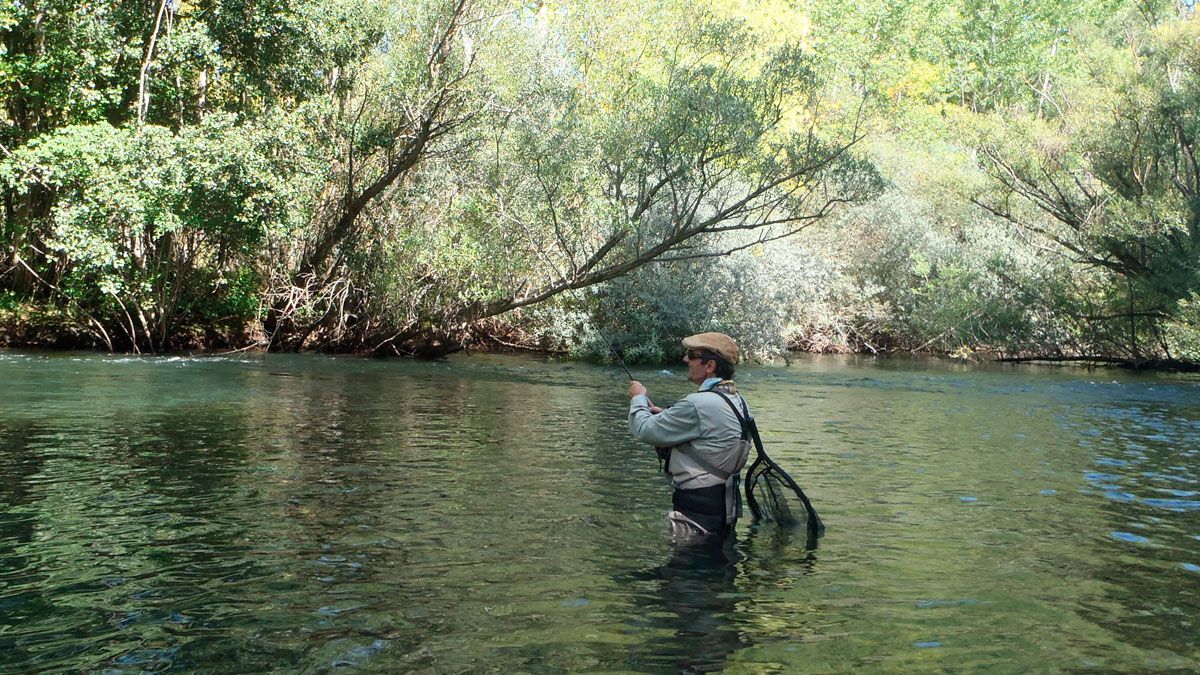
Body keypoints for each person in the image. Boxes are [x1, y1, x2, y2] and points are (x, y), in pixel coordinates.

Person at [628, 332, 752, 543]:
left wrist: (638, 398)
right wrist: (666, 416)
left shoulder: (697, 403)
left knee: (684, 574)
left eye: (691, 355)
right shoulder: (738, 401)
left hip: (695, 518)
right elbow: (710, 435)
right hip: (723, 513)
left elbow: (644, 429)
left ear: (710, 366)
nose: (685, 359)